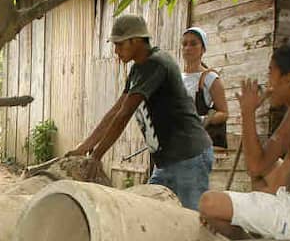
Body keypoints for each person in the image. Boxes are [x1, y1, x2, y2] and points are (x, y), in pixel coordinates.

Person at [199, 39, 290, 241]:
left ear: (289, 81)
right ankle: (255, 240)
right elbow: (262, 172)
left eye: (271, 74)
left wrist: (248, 112)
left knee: (209, 203)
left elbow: (254, 166)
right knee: (256, 189)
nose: (268, 83)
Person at [65, 14, 214, 209]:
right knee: (150, 212)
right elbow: (116, 110)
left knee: (193, 220)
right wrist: (84, 148)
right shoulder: (138, 69)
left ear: (135, 41)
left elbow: (124, 114)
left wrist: (96, 155)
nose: (116, 51)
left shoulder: (156, 63)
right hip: (168, 161)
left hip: (188, 157)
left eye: (119, 45)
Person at [181, 27, 228, 148]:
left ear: (203, 49)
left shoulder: (210, 78)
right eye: (184, 44)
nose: (187, 48)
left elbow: (224, 113)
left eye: (193, 44)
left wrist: (201, 120)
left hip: (200, 146)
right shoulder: (178, 78)